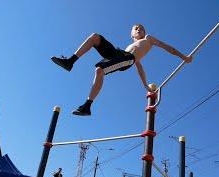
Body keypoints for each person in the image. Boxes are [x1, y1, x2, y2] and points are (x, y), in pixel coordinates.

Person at [51, 24, 192, 116]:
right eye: (136, 28)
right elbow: (139, 67)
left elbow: (166, 47)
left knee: (101, 69)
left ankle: (87, 105)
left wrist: (183, 57)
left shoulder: (148, 39)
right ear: (132, 34)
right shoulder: (131, 45)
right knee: (95, 38)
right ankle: (70, 62)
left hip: (127, 58)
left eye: (141, 28)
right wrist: (145, 85)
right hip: (119, 53)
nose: (139, 29)